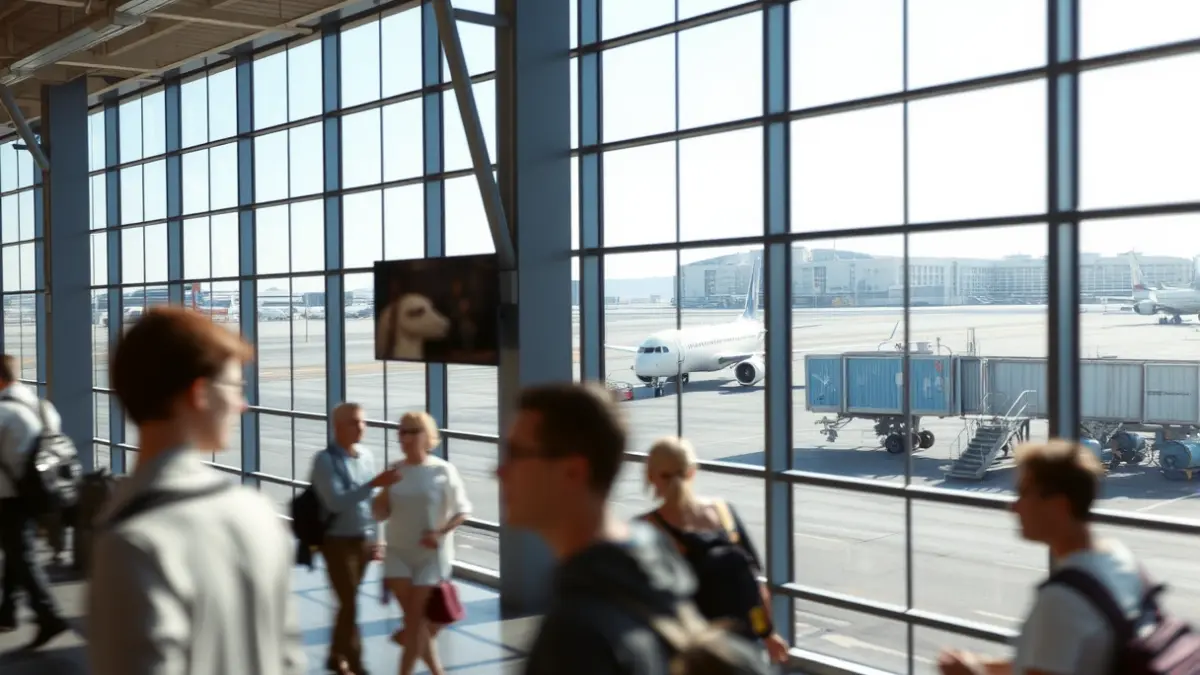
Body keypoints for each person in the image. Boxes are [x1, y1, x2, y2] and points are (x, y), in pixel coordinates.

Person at [87, 307, 306, 675]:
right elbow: (289, 659)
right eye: (236, 387)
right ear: (200, 394)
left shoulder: (132, 542)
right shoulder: (259, 513)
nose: (243, 404)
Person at [499, 382, 697, 674]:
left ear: (573, 471)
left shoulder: (575, 638)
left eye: (516, 453)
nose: (500, 471)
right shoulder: (654, 557)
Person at [938, 439, 1143, 675]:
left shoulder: (1062, 599)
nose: (1014, 508)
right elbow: (1048, 661)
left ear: (1058, 506)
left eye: (1024, 493)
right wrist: (984, 665)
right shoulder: (1117, 556)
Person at [642, 436, 791, 664]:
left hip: (689, 656)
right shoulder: (724, 514)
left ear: (651, 476)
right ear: (692, 471)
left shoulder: (646, 529)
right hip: (741, 650)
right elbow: (756, 587)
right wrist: (767, 634)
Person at [372, 411, 471, 675]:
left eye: (411, 431)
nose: (404, 437)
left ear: (426, 436)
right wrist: (377, 491)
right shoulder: (396, 471)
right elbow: (380, 512)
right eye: (401, 432)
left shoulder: (443, 470)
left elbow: (462, 511)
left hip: (431, 555)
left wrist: (439, 532)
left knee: (416, 623)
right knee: (415, 623)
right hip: (397, 553)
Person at [310, 402, 402, 675]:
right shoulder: (325, 461)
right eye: (354, 422)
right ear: (338, 427)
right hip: (336, 541)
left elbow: (370, 503)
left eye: (362, 422)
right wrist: (374, 483)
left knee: (346, 602)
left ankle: (334, 654)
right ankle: (354, 661)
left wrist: (377, 538)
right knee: (349, 602)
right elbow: (337, 502)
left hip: (361, 538)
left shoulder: (366, 456)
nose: (361, 427)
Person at [0, 354, 70, 649]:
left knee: (22, 554)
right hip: (40, 490)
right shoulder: (42, 406)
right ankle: (8, 613)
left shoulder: (4, 411)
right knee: (18, 550)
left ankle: (49, 615)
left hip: (9, 495)